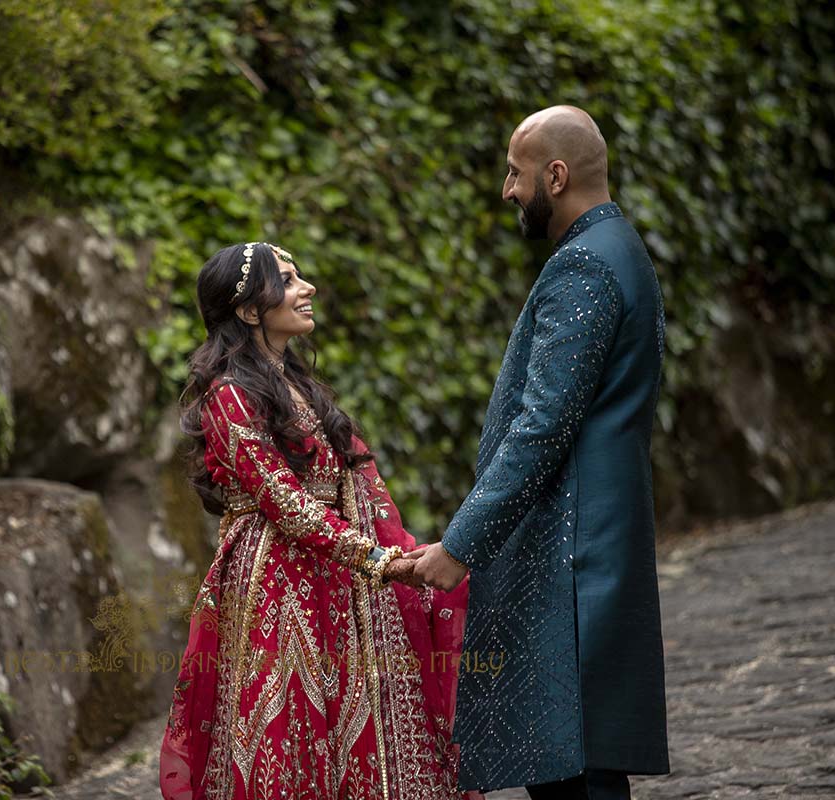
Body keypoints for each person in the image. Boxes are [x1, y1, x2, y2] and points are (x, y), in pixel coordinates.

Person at [158, 241, 482, 800]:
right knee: (290, 737)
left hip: (334, 579)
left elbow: (349, 485)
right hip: (276, 591)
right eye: (287, 280)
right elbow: (283, 502)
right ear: (249, 309)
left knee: (347, 727)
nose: (306, 288)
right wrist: (380, 560)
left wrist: (395, 554)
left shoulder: (298, 387)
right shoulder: (228, 396)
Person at [409, 106, 670, 798]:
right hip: (593, 543)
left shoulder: (583, 265)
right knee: (572, 766)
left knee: (571, 773)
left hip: (570, 559)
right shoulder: (619, 247)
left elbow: (541, 427)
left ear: (555, 175)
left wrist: (460, 545)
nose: (507, 190)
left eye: (515, 173)